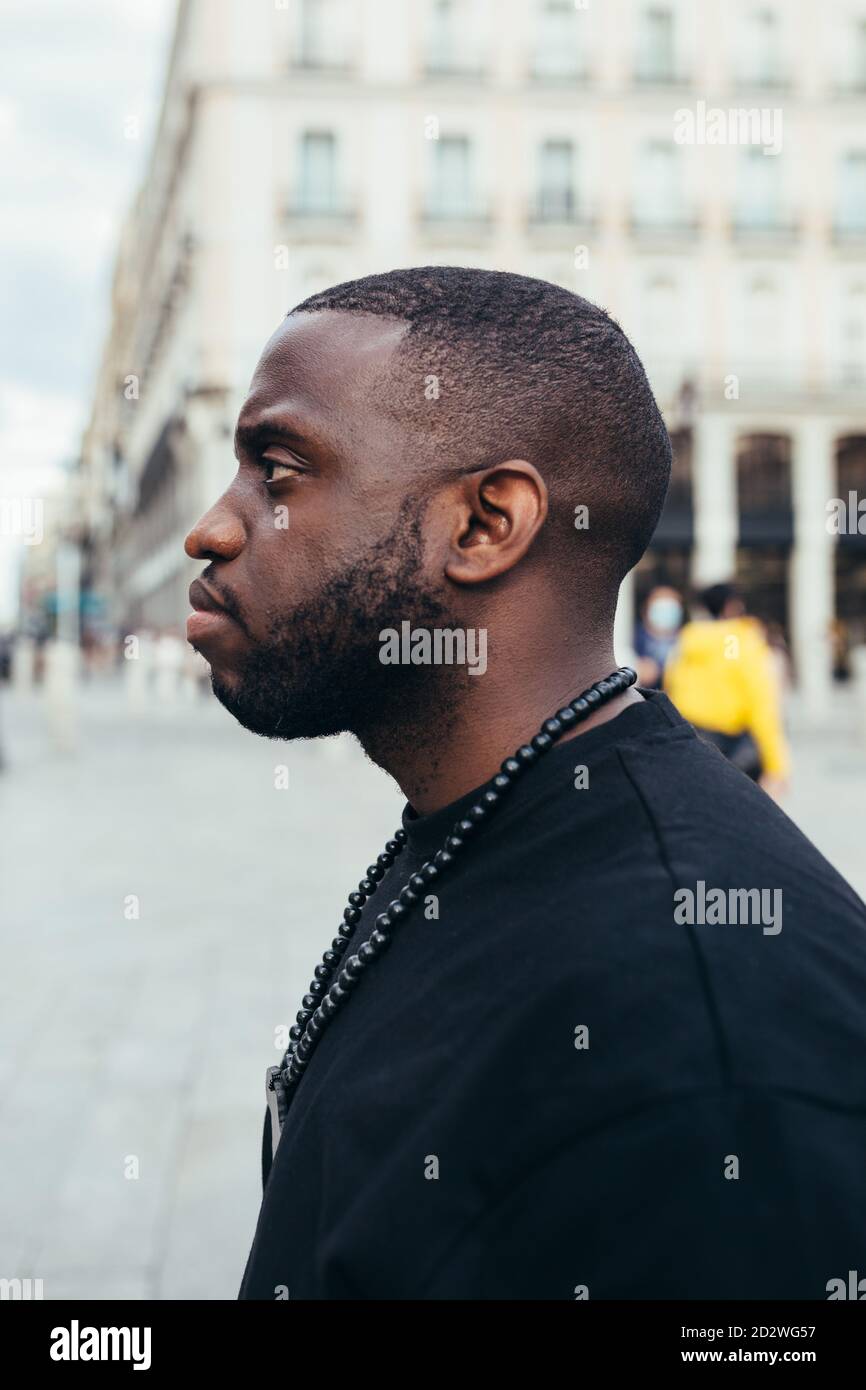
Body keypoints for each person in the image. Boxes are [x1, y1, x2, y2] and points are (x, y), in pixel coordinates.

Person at [184, 267, 866, 1300]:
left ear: (485, 522)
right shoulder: (475, 816)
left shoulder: (701, 1036)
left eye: (275, 472)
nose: (213, 528)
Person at [663, 582, 791, 798]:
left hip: (692, 741)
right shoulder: (737, 641)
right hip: (735, 747)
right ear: (732, 606)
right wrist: (777, 764)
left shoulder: (688, 641)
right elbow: (760, 702)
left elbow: (670, 689)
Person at [633, 584, 684, 688]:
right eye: (660, 607)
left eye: (671, 606)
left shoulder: (689, 638)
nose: (666, 613)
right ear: (645, 610)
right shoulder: (632, 638)